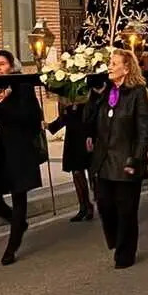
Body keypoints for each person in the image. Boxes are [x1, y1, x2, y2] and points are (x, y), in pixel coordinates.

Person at [85, 48, 148, 269]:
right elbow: (88, 120)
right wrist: (95, 95)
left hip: (126, 160)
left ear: (126, 68)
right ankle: (115, 239)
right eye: (110, 63)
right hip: (104, 160)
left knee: (126, 210)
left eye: (114, 63)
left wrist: (136, 159)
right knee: (105, 205)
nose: (110, 67)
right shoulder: (105, 91)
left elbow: (144, 129)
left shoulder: (137, 92)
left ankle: (125, 253)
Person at [0, 50, 44, 266]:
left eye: (2, 64)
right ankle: (18, 222)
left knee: (19, 197)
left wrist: (4, 104)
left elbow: (31, 118)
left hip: (18, 151)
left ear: (11, 67)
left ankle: (12, 246)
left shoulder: (22, 88)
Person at [47, 91, 94, 223]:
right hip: (72, 141)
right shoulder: (67, 105)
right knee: (76, 174)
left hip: (85, 140)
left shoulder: (85, 103)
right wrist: (49, 126)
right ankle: (84, 206)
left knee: (87, 173)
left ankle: (92, 204)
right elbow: (63, 119)